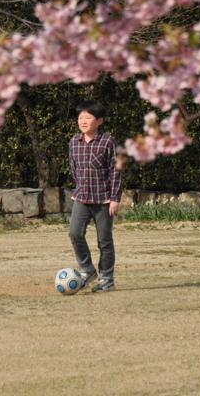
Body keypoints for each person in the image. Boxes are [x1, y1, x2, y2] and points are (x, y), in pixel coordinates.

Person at [68, 100, 122, 293]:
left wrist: (115, 198)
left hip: (104, 200)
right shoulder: (74, 141)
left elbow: (116, 171)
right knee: (75, 233)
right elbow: (73, 169)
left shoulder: (108, 142)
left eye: (88, 117)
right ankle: (87, 270)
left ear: (99, 121)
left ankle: (107, 279)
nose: (83, 120)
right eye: (80, 117)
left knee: (104, 241)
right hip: (81, 197)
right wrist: (80, 186)